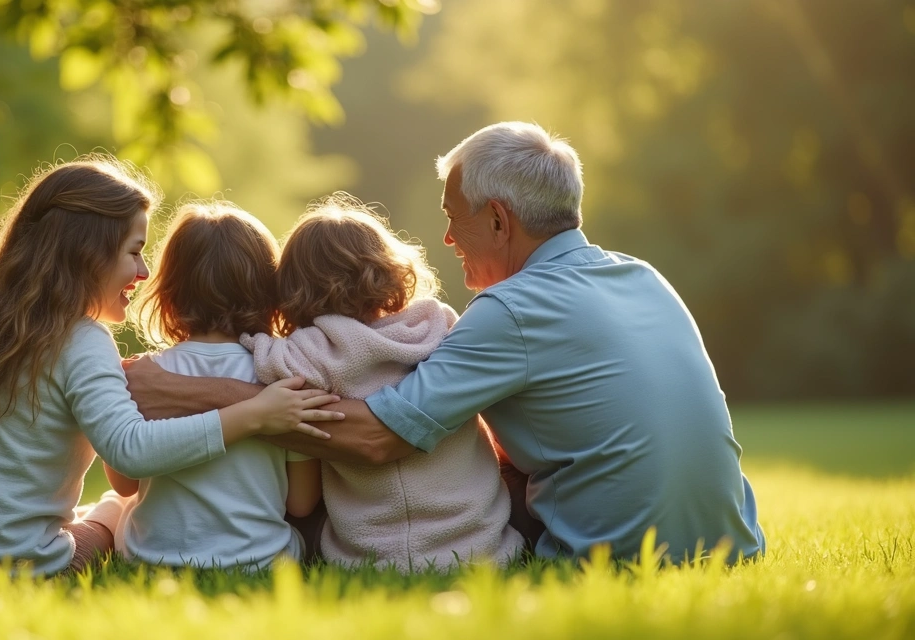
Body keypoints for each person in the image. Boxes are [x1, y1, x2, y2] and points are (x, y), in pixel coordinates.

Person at [125, 123, 766, 562]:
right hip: (734, 547)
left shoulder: (510, 310)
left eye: (454, 219)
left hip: (621, 561)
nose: (449, 239)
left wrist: (188, 393)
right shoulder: (642, 276)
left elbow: (378, 438)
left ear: (498, 220)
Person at [0, 159, 340, 578]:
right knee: (113, 512)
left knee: (117, 505)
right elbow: (130, 450)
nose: (143, 273)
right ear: (88, 251)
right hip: (3, 572)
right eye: (134, 251)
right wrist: (253, 415)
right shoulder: (79, 339)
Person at [240, 196, 523, 571]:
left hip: (368, 557)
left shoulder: (309, 352)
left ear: (292, 287)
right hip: (480, 546)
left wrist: (249, 337)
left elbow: (263, 361)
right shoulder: (437, 324)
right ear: (389, 267)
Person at [78, 201, 322, 569]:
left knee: (116, 507)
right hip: (261, 562)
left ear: (169, 294)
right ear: (269, 293)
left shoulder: (145, 377)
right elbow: (301, 503)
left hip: (150, 560)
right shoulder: (283, 378)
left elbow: (125, 485)